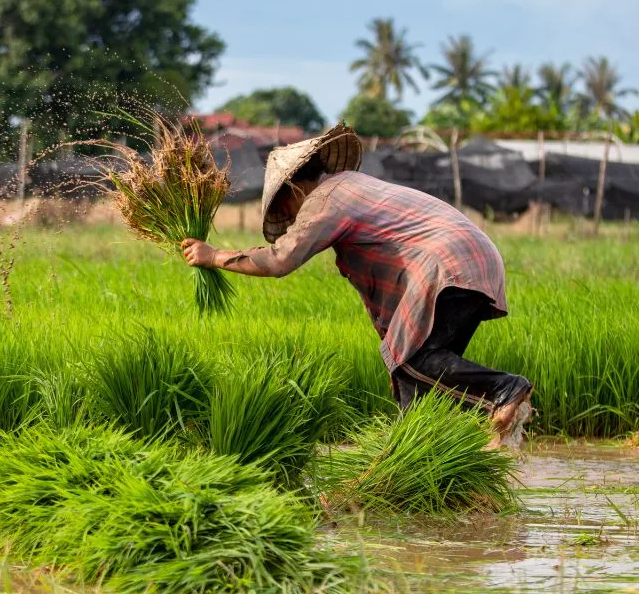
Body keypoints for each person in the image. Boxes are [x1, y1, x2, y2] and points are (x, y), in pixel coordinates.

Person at [182, 124, 532, 448]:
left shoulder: (327, 199)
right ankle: (425, 464)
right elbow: (387, 297)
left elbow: (279, 260)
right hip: (472, 258)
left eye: (285, 207)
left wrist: (214, 257)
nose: (291, 218)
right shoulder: (353, 189)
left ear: (293, 188)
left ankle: (504, 389)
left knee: (416, 360)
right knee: (418, 386)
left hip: (448, 263)